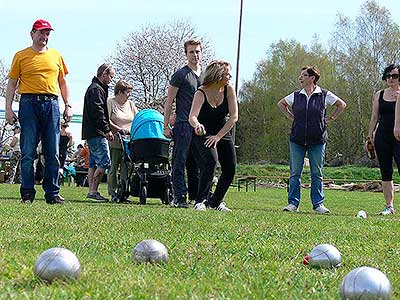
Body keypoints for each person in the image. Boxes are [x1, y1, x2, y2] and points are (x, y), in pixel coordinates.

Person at [5, 19, 72, 204]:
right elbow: (12, 83)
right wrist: (9, 108)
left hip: (51, 103)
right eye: (41, 32)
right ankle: (27, 193)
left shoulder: (56, 56)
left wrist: (68, 105)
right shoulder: (21, 55)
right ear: (32, 33)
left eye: (47, 33)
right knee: (28, 151)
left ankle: (52, 193)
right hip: (28, 103)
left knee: (53, 152)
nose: (44, 36)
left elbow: (63, 82)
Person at [277, 65, 346, 213]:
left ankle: (318, 204)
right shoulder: (296, 95)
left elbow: (341, 105)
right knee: (295, 172)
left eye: (303, 75)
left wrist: (331, 118)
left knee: (317, 173)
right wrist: (290, 116)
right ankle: (293, 204)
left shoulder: (324, 95)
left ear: (312, 78)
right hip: (297, 139)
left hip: (318, 139)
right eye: (300, 75)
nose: (300, 78)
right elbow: (281, 103)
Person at [188, 60, 238, 212]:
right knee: (211, 161)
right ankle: (200, 200)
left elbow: (234, 117)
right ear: (217, 75)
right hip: (203, 132)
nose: (229, 76)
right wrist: (197, 125)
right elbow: (192, 116)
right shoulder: (201, 92)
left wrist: (219, 136)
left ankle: (215, 202)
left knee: (230, 168)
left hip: (221, 131)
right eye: (227, 73)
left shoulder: (229, 89)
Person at [163, 39, 202, 208]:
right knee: (180, 161)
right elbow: (169, 100)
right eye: (191, 52)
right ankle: (179, 197)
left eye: (197, 51)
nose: (195, 55)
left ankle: (196, 196)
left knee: (197, 163)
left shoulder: (206, 76)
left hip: (199, 126)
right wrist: (165, 125)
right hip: (182, 124)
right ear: (186, 54)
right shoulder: (180, 75)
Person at [82, 63, 115, 202]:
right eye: (111, 77)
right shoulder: (97, 90)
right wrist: (106, 129)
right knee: (104, 161)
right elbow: (98, 111)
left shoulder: (94, 88)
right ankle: (94, 191)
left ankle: (92, 191)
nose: (111, 80)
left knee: (93, 163)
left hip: (90, 131)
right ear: (104, 74)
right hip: (97, 132)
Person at [370, 64, 400, 215]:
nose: (391, 79)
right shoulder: (379, 94)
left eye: (394, 76)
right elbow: (375, 116)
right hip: (382, 136)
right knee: (386, 171)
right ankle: (389, 206)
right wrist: (370, 135)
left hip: (399, 136)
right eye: (388, 76)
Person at [107, 80, 138, 202]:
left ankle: (124, 192)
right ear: (119, 92)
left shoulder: (130, 104)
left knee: (126, 167)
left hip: (128, 140)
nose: (129, 95)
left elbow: (137, 118)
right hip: (115, 139)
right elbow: (107, 120)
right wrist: (119, 129)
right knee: (113, 167)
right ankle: (113, 192)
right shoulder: (110, 102)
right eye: (127, 92)